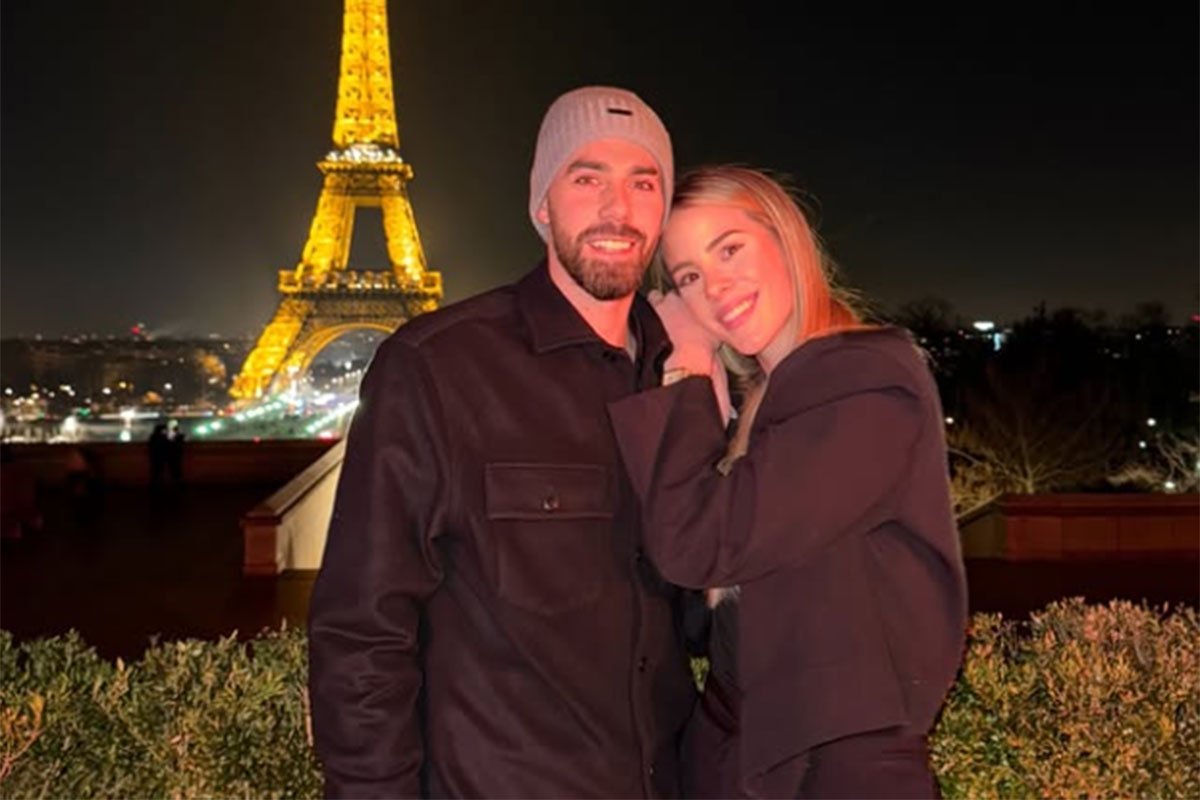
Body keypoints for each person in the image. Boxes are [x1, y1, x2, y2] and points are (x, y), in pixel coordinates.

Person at [307, 86, 699, 798]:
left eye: (644, 183)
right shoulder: (437, 368)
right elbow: (362, 631)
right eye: (588, 179)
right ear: (542, 204)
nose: (618, 209)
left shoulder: (677, 375)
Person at [607, 166, 969, 798]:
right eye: (688, 276)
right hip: (734, 753)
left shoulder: (866, 382)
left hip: (840, 767)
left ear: (786, 239)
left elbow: (700, 544)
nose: (714, 287)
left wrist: (686, 370)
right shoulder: (766, 405)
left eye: (729, 249)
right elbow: (700, 616)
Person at [147, 423, 170, 491]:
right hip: (160, 458)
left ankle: (155, 487)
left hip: (155, 458)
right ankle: (159, 486)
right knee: (159, 473)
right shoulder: (163, 437)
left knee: (155, 473)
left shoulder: (153, 437)